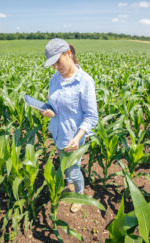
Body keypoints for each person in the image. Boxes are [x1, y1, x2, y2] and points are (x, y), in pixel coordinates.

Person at [41, 38, 98, 213]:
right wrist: (48, 110)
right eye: (52, 65)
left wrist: (78, 137)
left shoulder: (85, 81)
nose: (55, 67)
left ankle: (79, 195)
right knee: (65, 167)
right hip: (58, 133)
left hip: (73, 139)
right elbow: (54, 104)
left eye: (57, 62)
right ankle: (69, 185)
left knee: (73, 170)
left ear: (68, 54)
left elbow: (91, 116)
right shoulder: (54, 79)